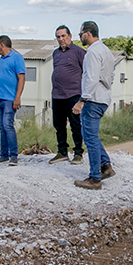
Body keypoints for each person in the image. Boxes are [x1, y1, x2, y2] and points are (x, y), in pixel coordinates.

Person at [72, 21, 115, 190]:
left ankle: (95, 178)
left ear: (87, 34)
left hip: (93, 100)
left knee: (89, 138)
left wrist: (82, 100)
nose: (80, 37)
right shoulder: (106, 51)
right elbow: (109, 78)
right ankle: (105, 166)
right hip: (103, 97)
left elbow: (91, 78)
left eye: (80, 34)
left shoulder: (92, 53)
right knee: (90, 134)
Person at [49, 25, 85, 165]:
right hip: (57, 94)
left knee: (76, 125)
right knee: (59, 125)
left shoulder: (79, 52)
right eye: (58, 37)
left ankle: (78, 153)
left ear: (70, 36)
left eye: (63, 36)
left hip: (73, 95)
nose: (61, 39)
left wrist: (83, 98)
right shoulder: (55, 53)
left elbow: (86, 73)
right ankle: (62, 152)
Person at [0, 35, 25, 166]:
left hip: (9, 99)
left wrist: (17, 97)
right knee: (1, 127)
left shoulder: (17, 58)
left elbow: (21, 78)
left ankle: (13, 155)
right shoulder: (0, 61)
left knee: (7, 125)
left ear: (2, 45)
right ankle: (3, 155)